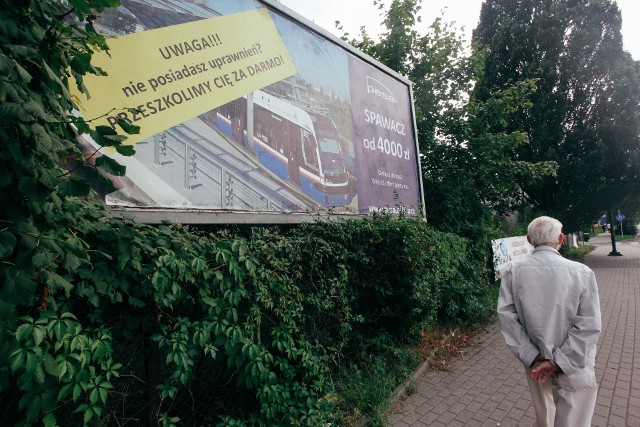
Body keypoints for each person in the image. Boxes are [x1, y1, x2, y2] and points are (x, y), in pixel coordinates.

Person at [497, 216, 601, 427]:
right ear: (560, 238)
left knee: (545, 415)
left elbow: (507, 319)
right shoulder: (582, 273)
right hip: (575, 361)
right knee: (575, 419)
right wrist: (558, 362)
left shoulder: (512, 272)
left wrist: (534, 357)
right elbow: (589, 325)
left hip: (535, 362)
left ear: (528, 239)